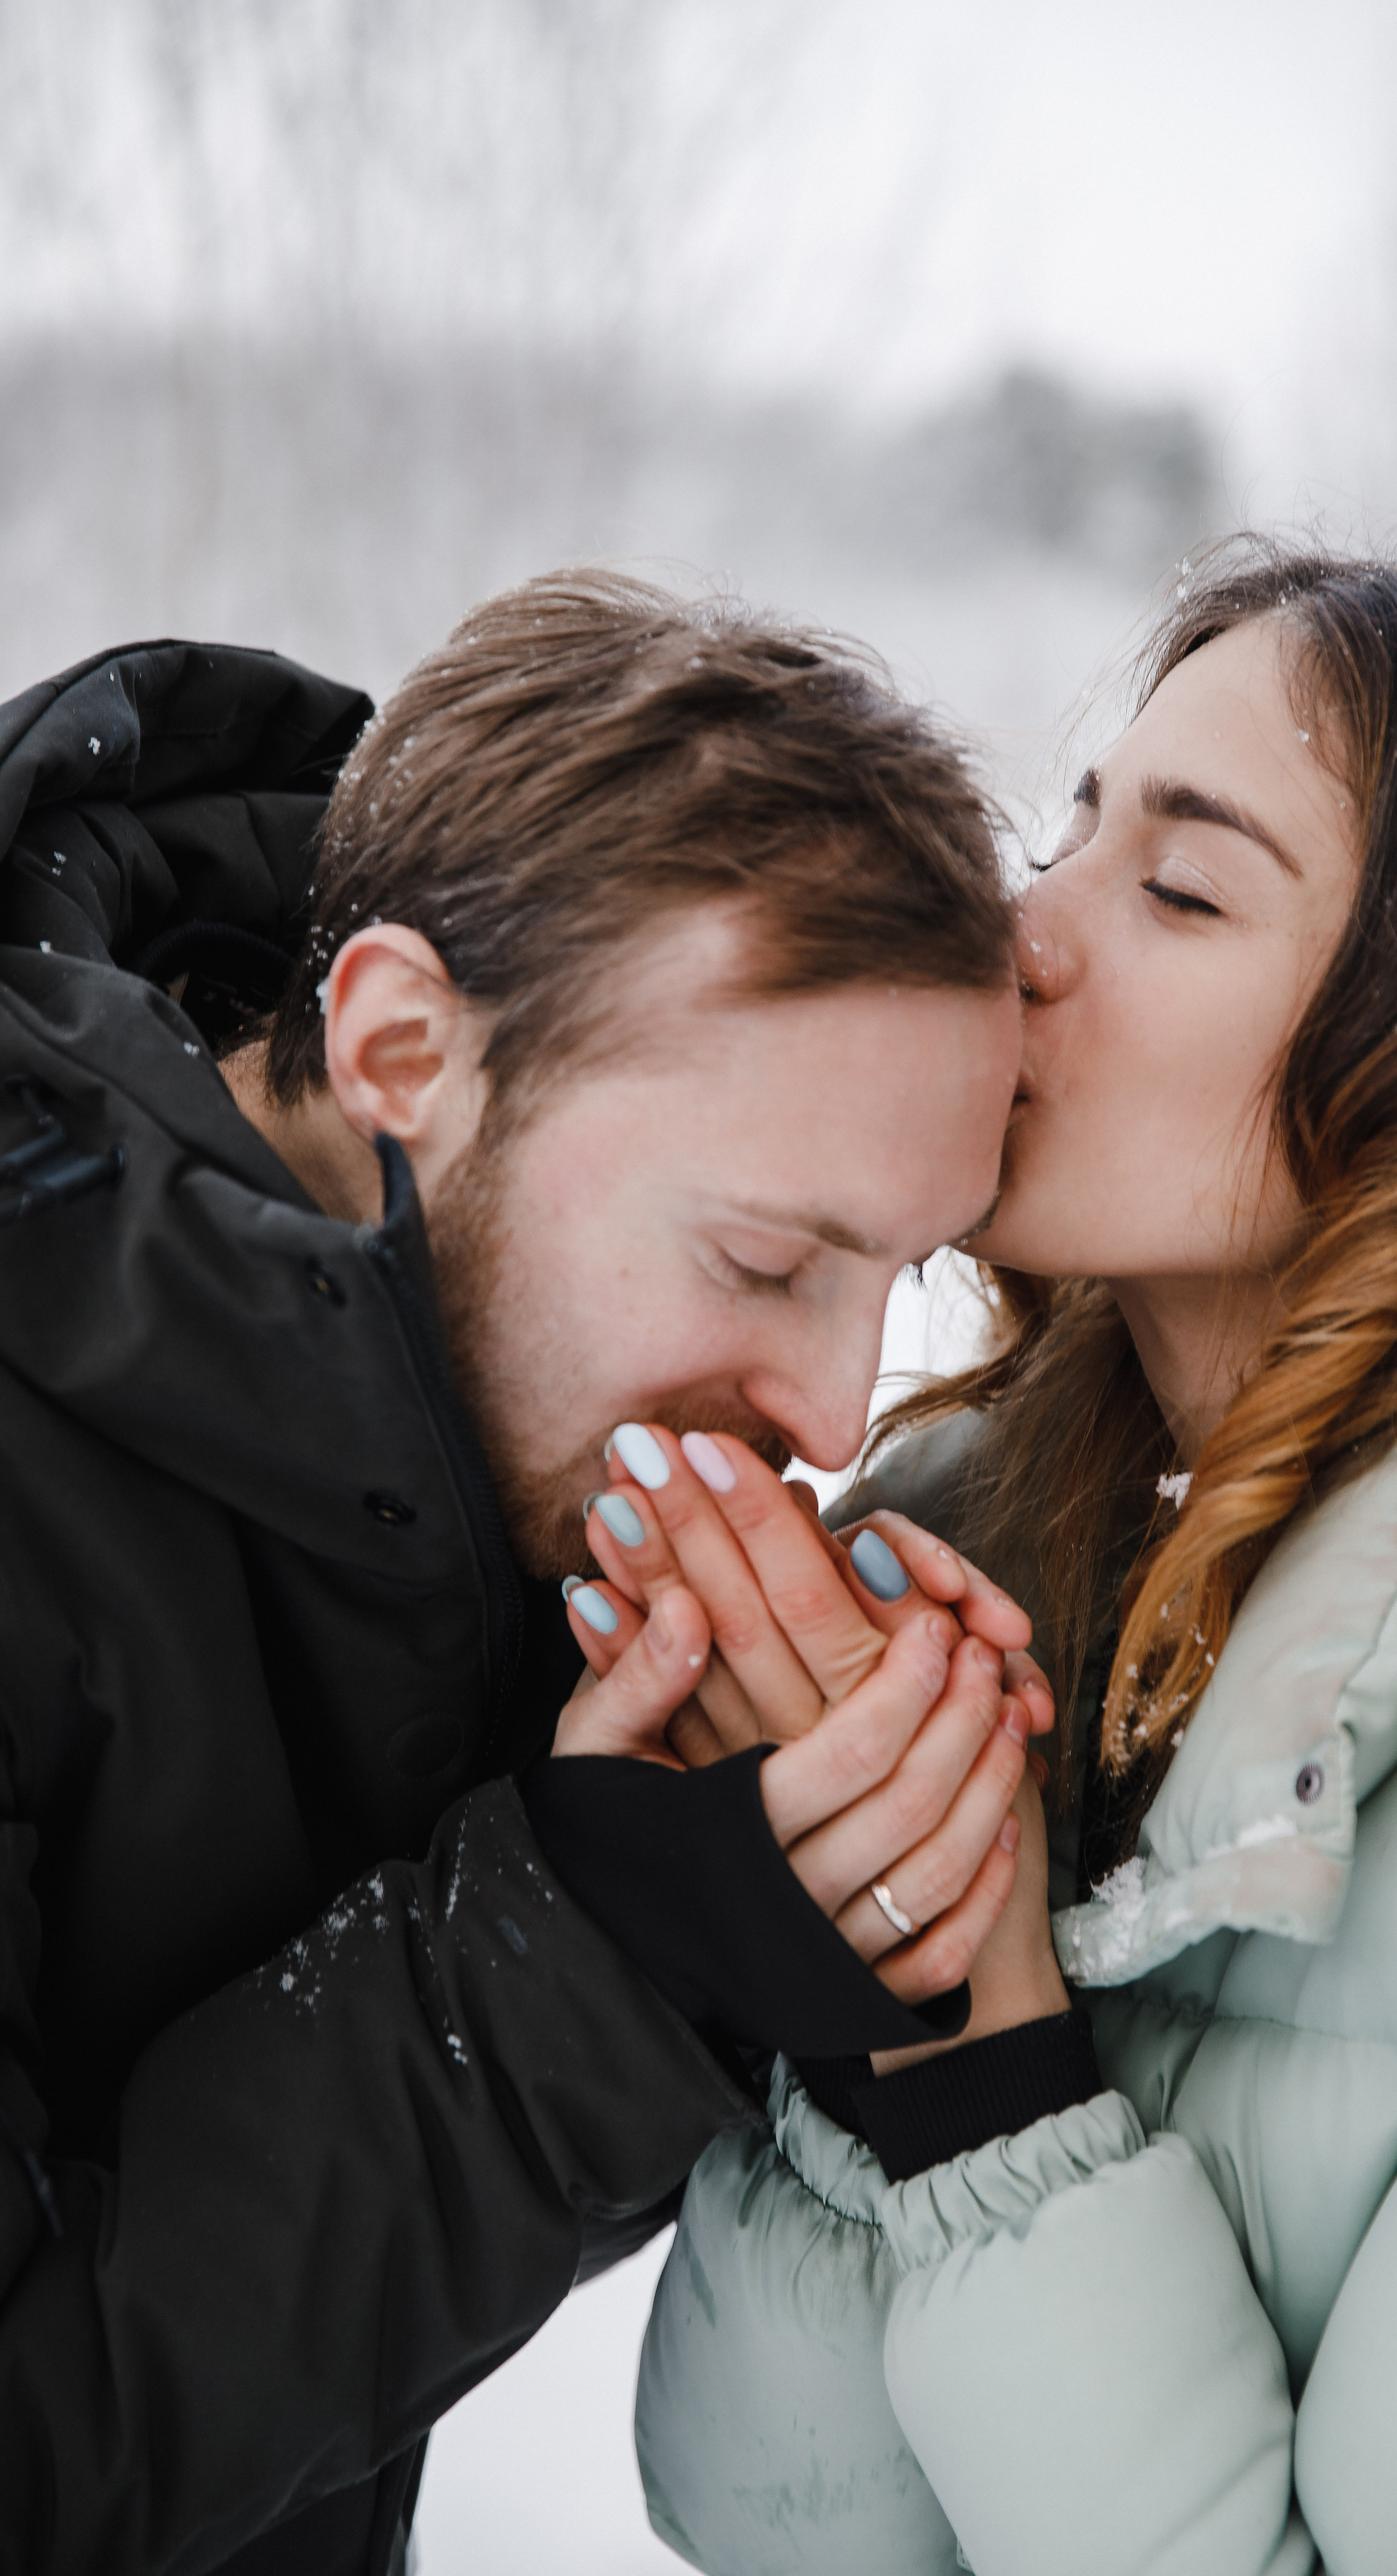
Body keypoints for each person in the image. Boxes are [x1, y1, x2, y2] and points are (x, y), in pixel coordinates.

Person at [632, 545, 1397, 2575]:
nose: (1014, 932)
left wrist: (982, 2078)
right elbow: (763, 2510)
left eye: (1183, 888)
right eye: (1070, 830)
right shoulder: (939, 1588)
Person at [0, 574, 1056, 2576]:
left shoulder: (469, 1431)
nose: (832, 1415)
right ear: (401, 1046)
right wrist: (587, 1950)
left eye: (896, 1279)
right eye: (764, 1261)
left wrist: (737, 1840)